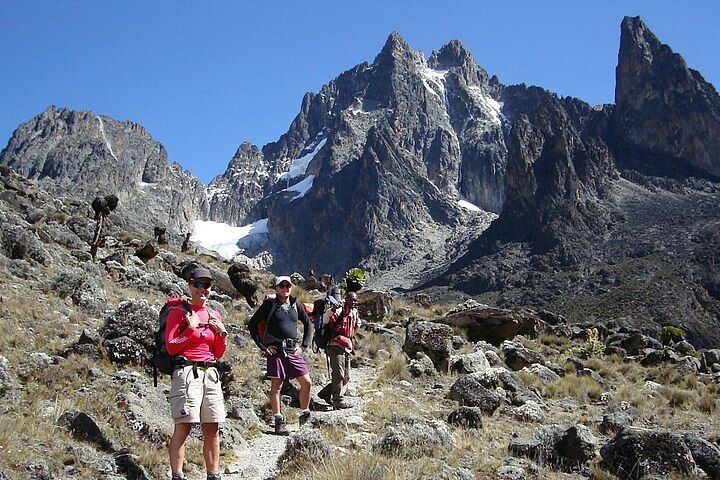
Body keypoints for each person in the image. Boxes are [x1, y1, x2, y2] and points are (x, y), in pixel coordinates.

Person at [165, 267, 228, 480]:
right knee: (184, 425)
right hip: (186, 373)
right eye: (198, 285)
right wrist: (190, 329)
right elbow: (172, 347)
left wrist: (222, 333)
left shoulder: (214, 314)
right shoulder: (178, 313)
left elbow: (218, 352)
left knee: (212, 427)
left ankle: (213, 474)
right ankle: (178, 475)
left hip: (210, 373)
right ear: (190, 286)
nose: (202, 289)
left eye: (207, 285)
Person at [248, 276, 313, 435]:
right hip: (275, 349)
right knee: (277, 385)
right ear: (276, 288)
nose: (285, 288)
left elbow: (308, 324)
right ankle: (278, 420)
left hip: (292, 349)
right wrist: (263, 346)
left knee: (307, 382)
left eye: (288, 285)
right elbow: (252, 324)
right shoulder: (269, 305)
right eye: (282, 286)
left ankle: (304, 414)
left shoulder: (295, 304)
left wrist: (303, 346)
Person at [317, 291, 360, 409]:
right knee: (338, 373)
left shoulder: (354, 313)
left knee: (346, 377)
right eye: (352, 300)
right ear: (346, 299)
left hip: (346, 346)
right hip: (335, 344)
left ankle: (325, 393)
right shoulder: (339, 310)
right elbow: (326, 320)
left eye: (355, 300)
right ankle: (337, 400)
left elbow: (356, 325)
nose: (354, 302)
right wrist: (332, 310)